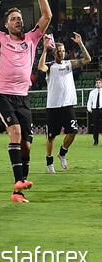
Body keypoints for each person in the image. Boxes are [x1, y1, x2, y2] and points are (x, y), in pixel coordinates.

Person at [0, 0, 51, 203]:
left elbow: (47, 16)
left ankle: (18, 193)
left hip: (23, 98)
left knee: (27, 146)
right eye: (13, 19)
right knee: (16, 133)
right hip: (3, 96)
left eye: (19, 18)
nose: (18, 21)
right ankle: (19, 180)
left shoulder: (32, 39)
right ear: (6, 25)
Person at [38, 33, 91, 173]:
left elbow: (87, 59)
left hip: (67, 105)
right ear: (54, 53)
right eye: (58, 51)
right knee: (51, 136)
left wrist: (80, 43)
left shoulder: (69, 64)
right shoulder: (50, 66)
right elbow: (41, 67)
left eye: (63, 51)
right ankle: (49, 163)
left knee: (73, 132)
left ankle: (62, 153)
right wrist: (45, 50)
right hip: (53, 106)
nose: (61, 53)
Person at [87, 78, 102, 146]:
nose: (98, 84)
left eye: (99, 82)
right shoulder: (92, 92)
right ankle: (95, 141)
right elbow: (89, 101)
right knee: (95, 126)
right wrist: (90, 109)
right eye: (97, 82)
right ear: (95, 84)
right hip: (95, 110)